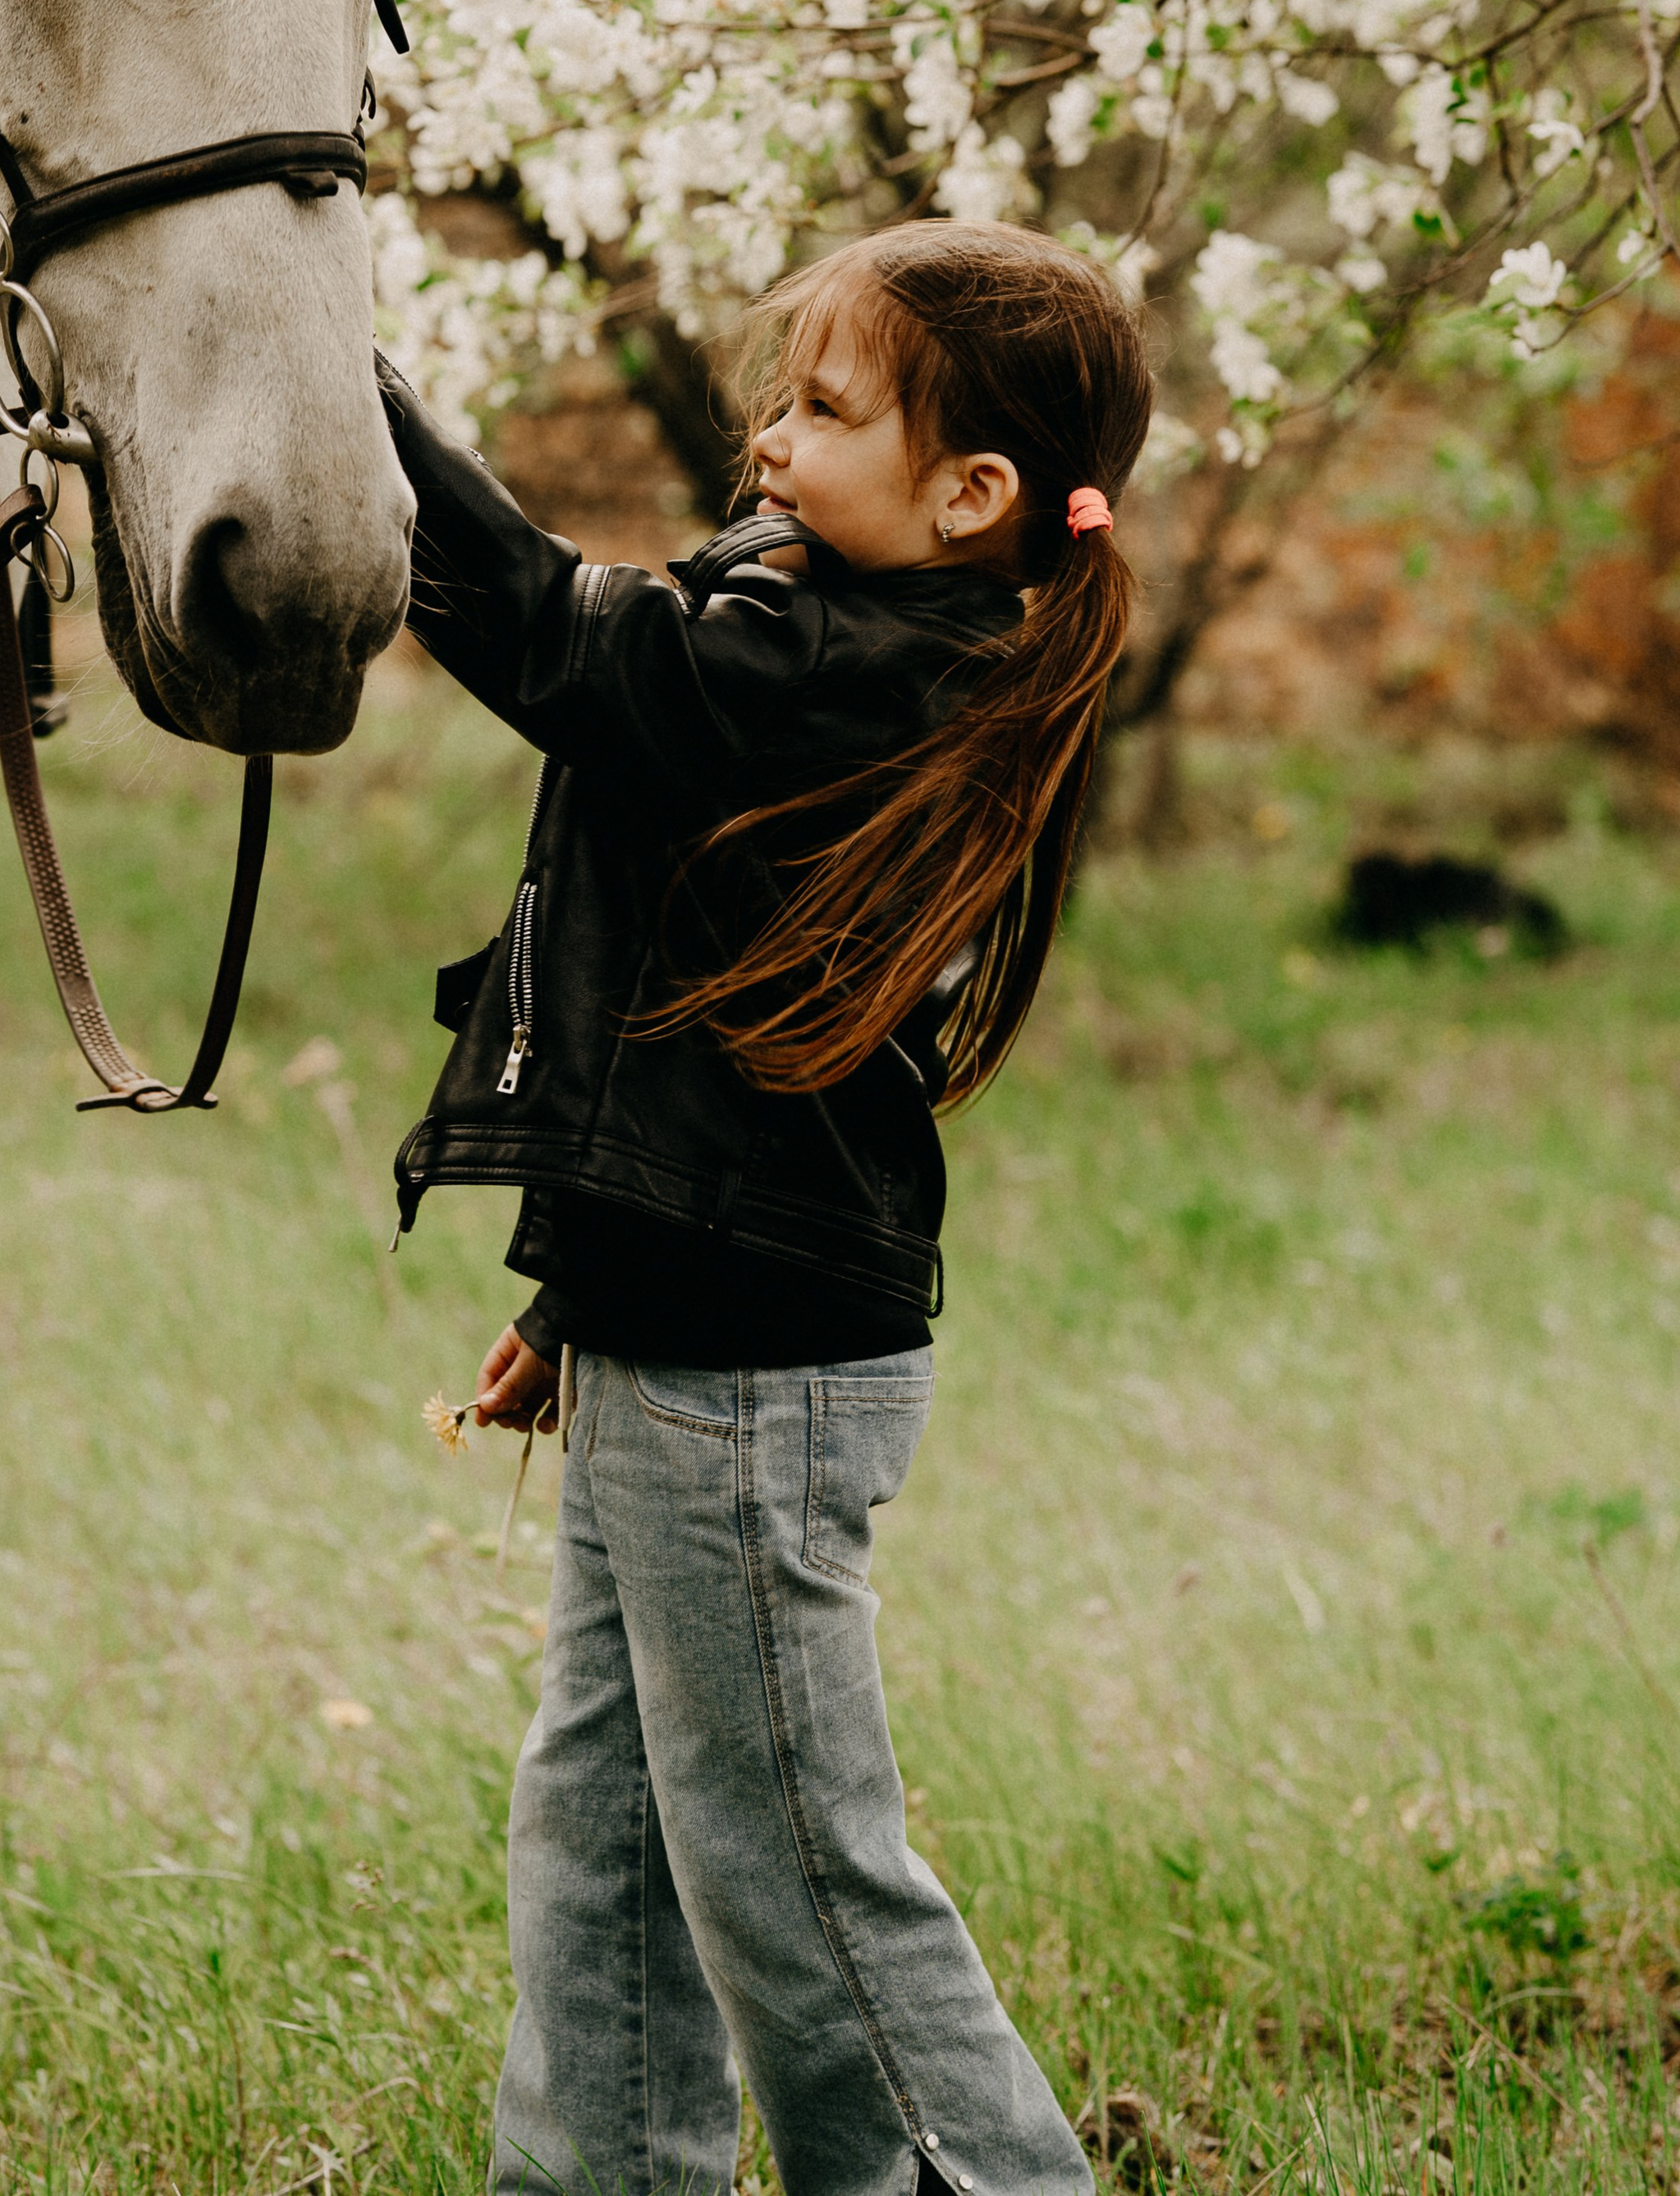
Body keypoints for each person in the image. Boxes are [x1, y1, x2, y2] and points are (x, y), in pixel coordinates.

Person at [379, 219, 1151, 2196]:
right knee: (608, 1830)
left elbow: (573, 649)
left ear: (971, 498)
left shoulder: (875, 667)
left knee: (790, 1871)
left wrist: (329, 393)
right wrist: (569, 1297)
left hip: (753, 1367)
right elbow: (679, 1014)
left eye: (823, 409)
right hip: (686, 1319)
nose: (769, 442)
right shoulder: (816, 621)